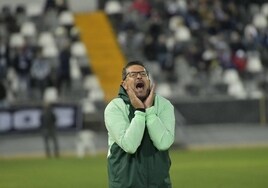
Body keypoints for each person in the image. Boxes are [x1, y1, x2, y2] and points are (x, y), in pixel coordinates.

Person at [104, 60, 175, 188]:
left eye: (143, 74)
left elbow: (163, 143)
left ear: (148, 80)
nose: (138, 76)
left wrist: (150, 111)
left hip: (159, 184)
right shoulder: (115, 108)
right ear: (124, 84)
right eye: (132, 75)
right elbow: (129, 145)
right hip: (125, 185)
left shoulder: (164, 105)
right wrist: (140, 112)